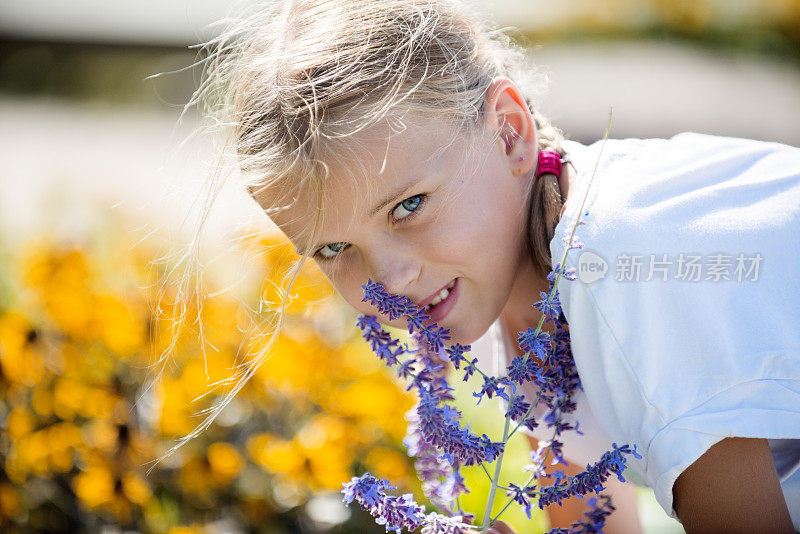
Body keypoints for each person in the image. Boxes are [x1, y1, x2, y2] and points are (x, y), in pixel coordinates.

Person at [177, 0, 800, 531]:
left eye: (409, 205)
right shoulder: (496, 301)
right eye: (333, 250)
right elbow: (597, 521)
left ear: (508, 130)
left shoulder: (619, 267)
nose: (391, 282)